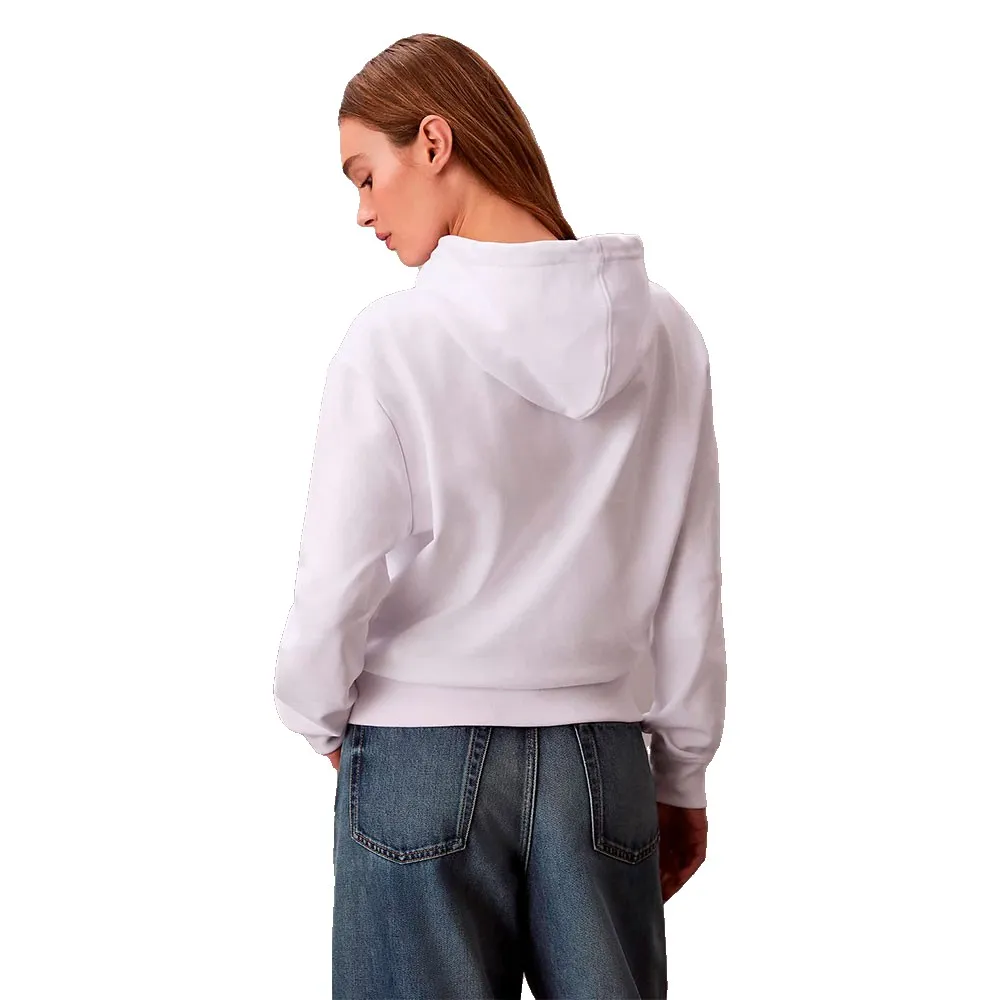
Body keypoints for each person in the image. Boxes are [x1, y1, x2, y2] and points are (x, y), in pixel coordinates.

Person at [272, 32, 726, 1000]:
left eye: (366, 174)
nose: (362, 211)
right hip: (602, 760)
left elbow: (335, 577)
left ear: (434, 141)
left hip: (417, 754)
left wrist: (315, 715)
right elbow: (690, 576)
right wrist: (682, 773)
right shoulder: (666, 332)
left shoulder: (392, 340)